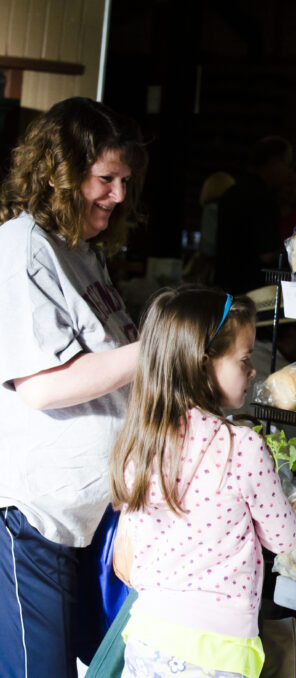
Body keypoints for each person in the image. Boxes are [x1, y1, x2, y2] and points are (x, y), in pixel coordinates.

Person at [0, 96, 146, 678]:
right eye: (104, 179)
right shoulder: (22, 249)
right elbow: (39, 385)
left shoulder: (80, 251)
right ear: (59, 174)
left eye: (124, 181)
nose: (117, 195)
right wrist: (156, 349)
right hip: (34, 518)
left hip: (85, 520)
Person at [109, 286, 296, 678]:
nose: (253, 370)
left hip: (147, 639)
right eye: (244, 359)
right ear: (204, 363)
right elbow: (285, 540)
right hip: (219, 653)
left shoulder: (140, 444)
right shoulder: (243, 446)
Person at [214, 136, 294, 293]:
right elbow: (267, 255)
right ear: (274, 163)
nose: (289, 171)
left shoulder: (232, 192)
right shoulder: (264, 199)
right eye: (287, 164)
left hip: (224, 287)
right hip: (252, 292)